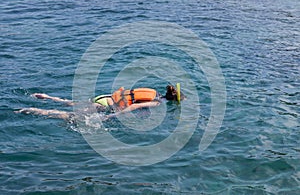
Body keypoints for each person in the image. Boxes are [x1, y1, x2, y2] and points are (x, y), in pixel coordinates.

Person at [15, 85, 185, 121]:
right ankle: (31, 110)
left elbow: (136, 101)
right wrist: (112, 116)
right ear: (173, 101)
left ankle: (47, 97)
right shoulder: (157, 104)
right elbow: (134, 106)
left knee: (71, 103)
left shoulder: (153, 92)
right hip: (105, 106)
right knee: (71, 117)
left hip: (103, 97)